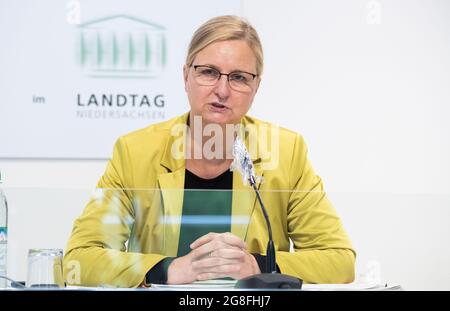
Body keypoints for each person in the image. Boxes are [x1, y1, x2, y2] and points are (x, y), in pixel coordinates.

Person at [63, 15, 355, 287]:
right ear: (186, 76)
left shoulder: (286, 152)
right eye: (208, 72)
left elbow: (340, 261)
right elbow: (77, 260)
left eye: (239, 77)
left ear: (256, 87)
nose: (223, 90)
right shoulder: (135, 151)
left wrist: (260, 266)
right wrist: (167, 269)